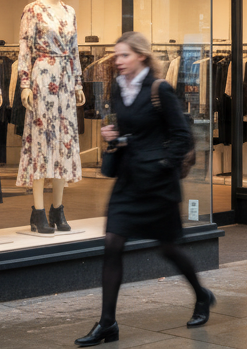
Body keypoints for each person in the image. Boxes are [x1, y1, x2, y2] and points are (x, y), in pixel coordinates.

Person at [76, 32, 213, 346]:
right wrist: (115, 137)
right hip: (128, 181)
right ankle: (107, 323)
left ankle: (202, 295)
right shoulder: (116, 86)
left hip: (158, 185)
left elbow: (182, 136)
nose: (117, 61)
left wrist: (163, 165)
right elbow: (130, 132)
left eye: (123, 55)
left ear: (140, 55)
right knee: (112, 244)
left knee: (169, 248)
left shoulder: (159, 88)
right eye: (116, 55)